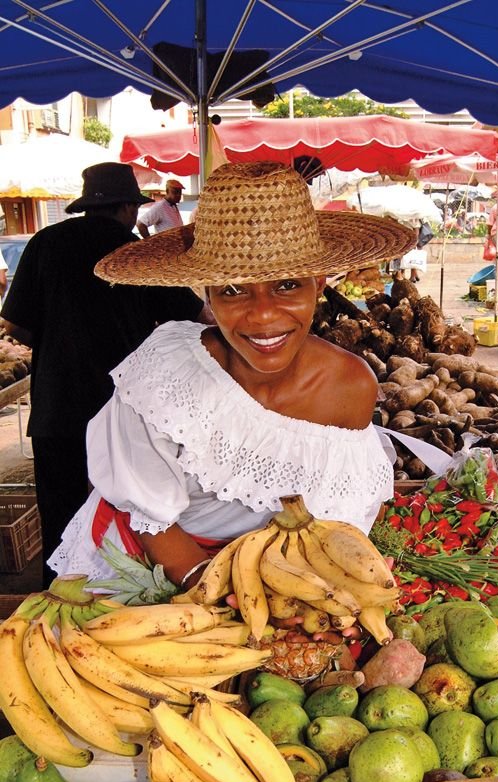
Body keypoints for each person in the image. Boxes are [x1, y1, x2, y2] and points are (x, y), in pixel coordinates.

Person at [49, 162, 415, 591]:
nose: (262, 316)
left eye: (286, 286)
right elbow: (148, 516)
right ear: (206, 293)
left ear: (319, 283)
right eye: (233, 290)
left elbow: (330, 533)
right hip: (140, 564)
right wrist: (221, 601)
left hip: (267, 579)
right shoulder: (165, 371)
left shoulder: (350, 386)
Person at [0, 162, 208, 586]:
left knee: (61, 522)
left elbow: (15, 325)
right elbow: (196, 323)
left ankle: (57, 611)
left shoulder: (45, 243)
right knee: (128, 527)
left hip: (57, 413)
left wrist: (60, 336)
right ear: (129, 209)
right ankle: (120, 618)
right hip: (125, 416)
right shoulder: (138, 252)